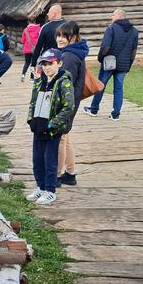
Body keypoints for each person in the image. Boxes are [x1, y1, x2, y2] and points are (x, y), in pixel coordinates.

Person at [25, 49, 76, 205]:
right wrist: (31, 120)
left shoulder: (64, 82)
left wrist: (52, 124)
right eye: (44, 64)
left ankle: (50, 190)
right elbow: (33, 102)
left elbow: (68, 107)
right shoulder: (40, 81)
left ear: (59, 64)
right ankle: (40, 187)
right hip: (38, 127)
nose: (47, 67)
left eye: (51, 64)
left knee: (50, 160)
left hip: (52, 130)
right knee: (37, 159)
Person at [84, 9, 138, 120]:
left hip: (109, 63)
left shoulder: (111, 28)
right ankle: (116, 114)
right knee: (118, 88)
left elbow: (105, 47)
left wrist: (100, 59)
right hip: (123, 65)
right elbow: (133, 52)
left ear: (118, 16)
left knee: (100, 86)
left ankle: (94, 109)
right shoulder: (134, 31)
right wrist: (129, 65)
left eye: (113, 15)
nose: (111, 17)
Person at [55, 21, 88, 186]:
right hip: (72, 102)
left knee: (59, 139)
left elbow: (65, 84)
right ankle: (70, 172)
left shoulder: (68, 57)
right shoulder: (76, 52)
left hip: (65, 104)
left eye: (64, 36)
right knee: (65, 137)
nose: (60, 39)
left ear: (73, 37)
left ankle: (56, 176)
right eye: (59, 35)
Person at [21, 17, 41, 81]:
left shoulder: (25, 30)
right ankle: (32, 78)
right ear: (35, 21)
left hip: (27, 49)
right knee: (33, 63)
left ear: (28, 22)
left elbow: (23, 40)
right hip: (35, 49)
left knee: (27, 62)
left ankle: (23, 75)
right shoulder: (39, 29)